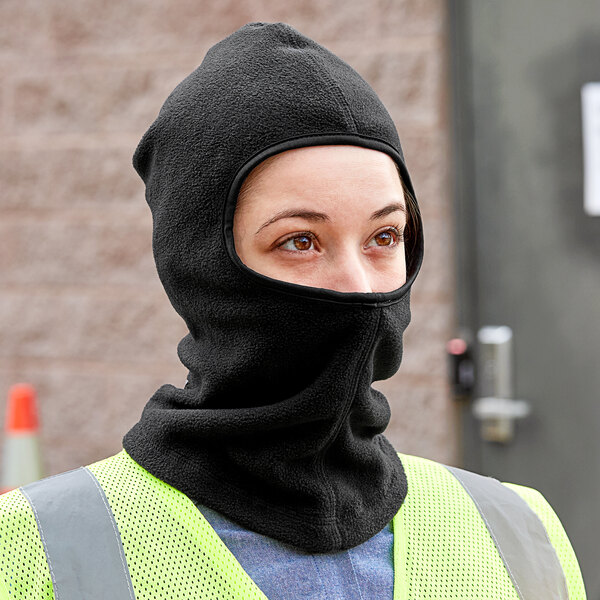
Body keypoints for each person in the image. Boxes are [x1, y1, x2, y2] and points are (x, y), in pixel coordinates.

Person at [0, 21, 586, 600]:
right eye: (300, 241)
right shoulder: (35, 551)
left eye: (384, 237)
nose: (359, 288)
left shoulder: (520, 532)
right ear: (201, 266)